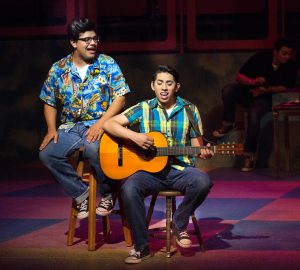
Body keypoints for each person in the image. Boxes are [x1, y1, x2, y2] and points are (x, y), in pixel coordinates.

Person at [102, 65, 214, 264]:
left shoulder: (190, 110)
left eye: (169, 83)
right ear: (153, 85)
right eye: (160, 83)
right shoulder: (144, 108)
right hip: (149, 172)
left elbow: (198, 146)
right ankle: (141, 247)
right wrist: (135, 137)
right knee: (129, 188)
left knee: (203, 181)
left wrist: (204, 152)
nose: (164, 88)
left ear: (177, 87)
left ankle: (178, 224)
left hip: (180, 170)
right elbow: (109, 124)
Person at [39, 18, 131, 219]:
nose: (93, 43)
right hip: (71, 126)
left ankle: (109, 192)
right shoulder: (59, 68)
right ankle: (80, 194)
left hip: (101, 123)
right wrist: (51, 129)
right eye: (86, 39)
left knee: (93, 149)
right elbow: (49, 101)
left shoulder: (107, 63)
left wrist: (101, 124)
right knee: (47, 153)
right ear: (73, 42)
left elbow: (120, 98)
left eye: (95, 38)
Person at [212, 38, 298, 172]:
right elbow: (239, 76)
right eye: (284, 53)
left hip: (264, 99)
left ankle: (249, 155)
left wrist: (265, 89)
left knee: (254, 114)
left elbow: (284, 87)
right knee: (228, 90)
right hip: (248, 92)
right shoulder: (261, 58)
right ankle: (228, 123)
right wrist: (253, 82)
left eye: (289, 54)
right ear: (276, 52)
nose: (287, 57)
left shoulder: (290, 65)